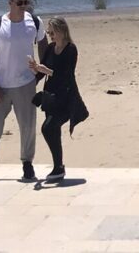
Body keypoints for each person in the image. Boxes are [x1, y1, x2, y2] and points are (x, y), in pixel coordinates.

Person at [0, 0, 48, 181]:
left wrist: (38, 75)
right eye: (19, 3)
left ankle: (27, 164)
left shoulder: (34, 22)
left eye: (26, 3)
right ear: (10, 3)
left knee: (27, 126)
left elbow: (44, 46)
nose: (23, 6)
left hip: (25, 84)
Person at [28, 17, 87, 183]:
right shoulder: (50, 48)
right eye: (48, 33)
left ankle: (58, 167)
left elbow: (66, 75)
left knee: (48, 128)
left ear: (62, 31)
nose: (50, 36)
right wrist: (34, 73)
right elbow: (42, 71)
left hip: (66, 98)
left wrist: (48, 71)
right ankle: (58, 167)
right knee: (53, 130)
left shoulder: (71, 49)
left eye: (52, 32)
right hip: (51, 97)